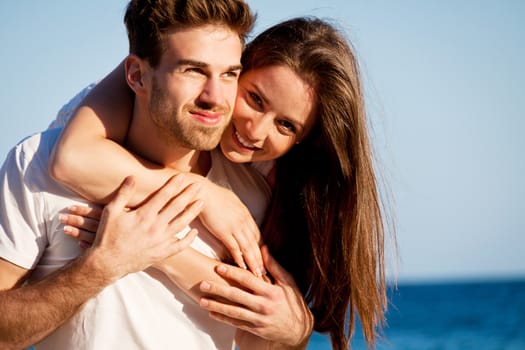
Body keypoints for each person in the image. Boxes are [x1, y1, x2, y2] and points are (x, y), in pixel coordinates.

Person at [51, 16, 392, 350]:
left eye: (287, 126)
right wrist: (204, 195)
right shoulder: (148, 91)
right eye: (255, 99)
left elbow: (258, 312)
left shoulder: (282, 181)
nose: (255, 131)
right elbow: (74, 158)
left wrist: (297, 329)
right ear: (237, 68)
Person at [0, 1, 279, 349]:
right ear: (136, 75)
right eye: (193, 71)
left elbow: (269, 335)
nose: (215, 97)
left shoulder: (250, 198)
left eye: (229, 74)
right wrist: (98, 268)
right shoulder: (37, 164)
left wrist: (297, 330)